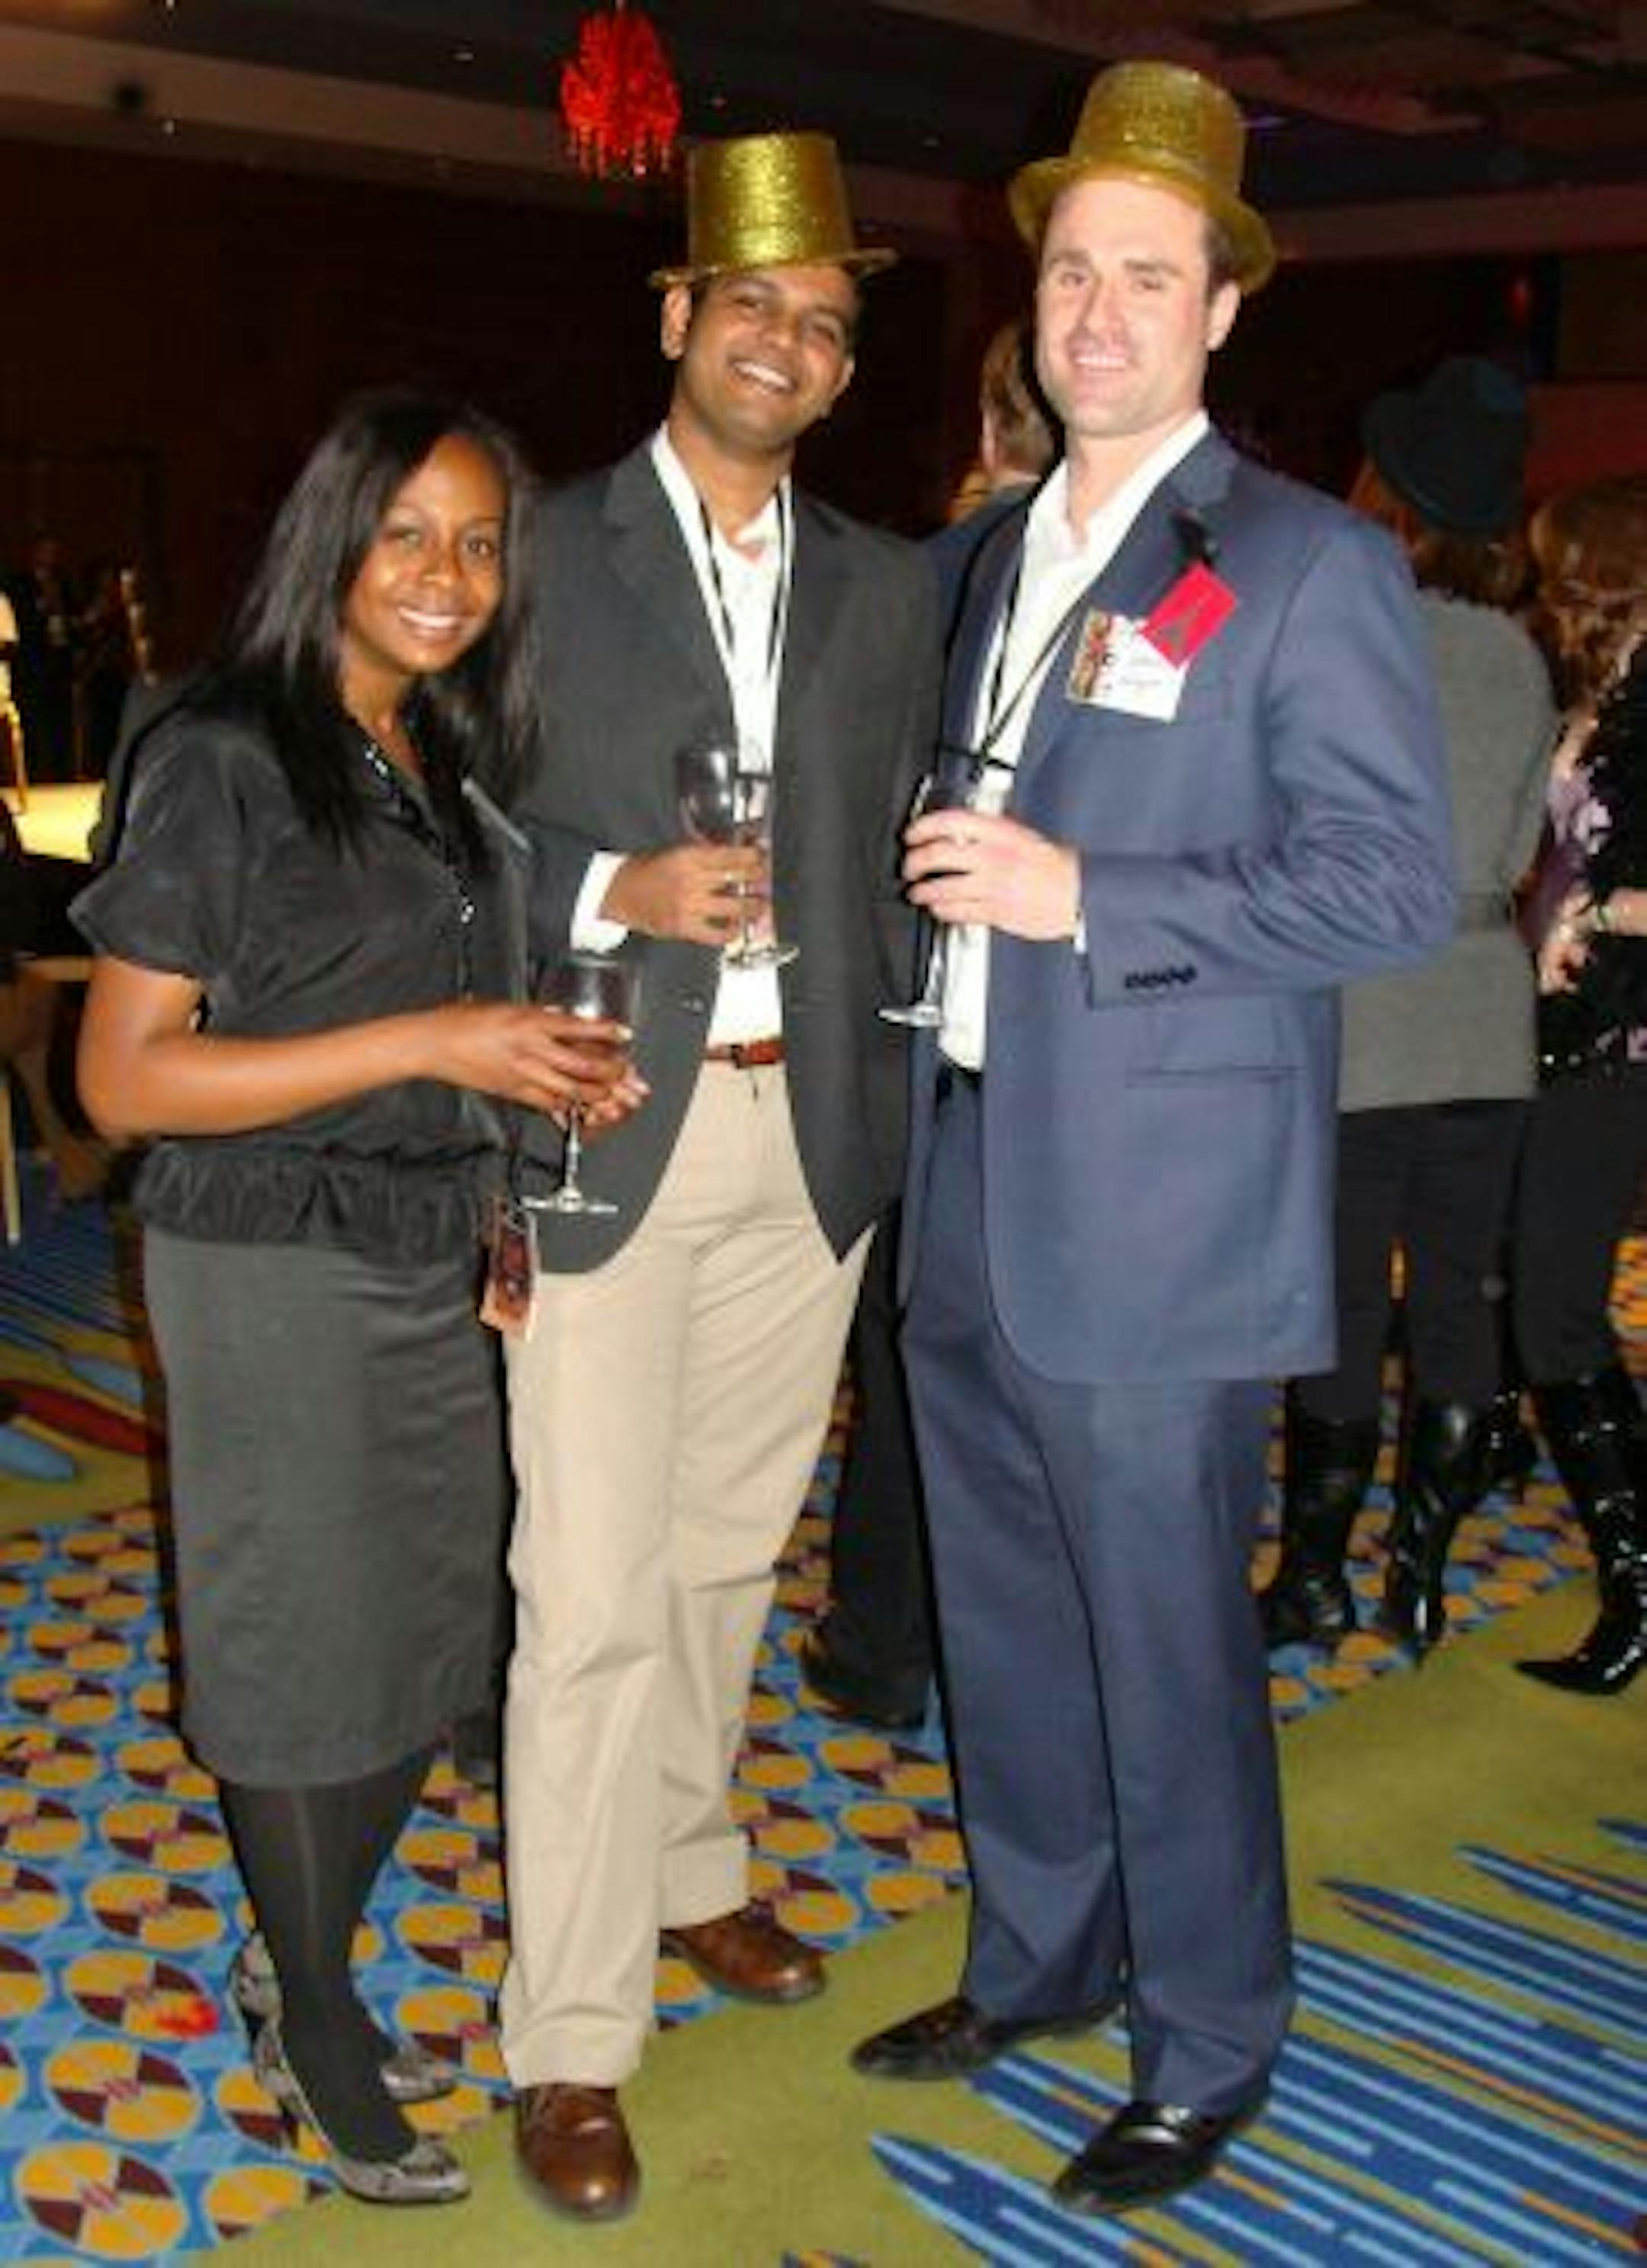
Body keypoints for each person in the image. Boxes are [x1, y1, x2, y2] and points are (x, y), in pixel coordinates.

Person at [851, 59, 1454, 2218]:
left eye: (1145, 277)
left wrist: (1088, 896)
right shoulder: (1001, 554)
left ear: (1221, 315)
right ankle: (1041, 1960)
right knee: (1008, 1625)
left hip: (1169, 1225)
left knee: (1170, 1649)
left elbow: (1394, 885)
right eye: (1069, 273)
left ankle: (1214, 2033)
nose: (1095, 311)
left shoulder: (1295, 566)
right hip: (978, 1174)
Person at [72, 390, 636, 2206]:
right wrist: (434, 1036)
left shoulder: (438, 749)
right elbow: (126, 1082)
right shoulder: (230, 750)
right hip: (269, 1261)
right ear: (335, 537)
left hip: (430, 1246)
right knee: (296, 1647)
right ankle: (315, 2003)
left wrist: (524, 1068)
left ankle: (294, 1948)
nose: (447, 575)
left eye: (479, 543)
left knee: (425, 1639)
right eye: (408, 533)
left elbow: (429, 1014)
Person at [500, 130, 939, 2222]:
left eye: (827, 325)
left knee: (715, 1556)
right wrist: (611, 881)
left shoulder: (886, 584)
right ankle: (573, 2038)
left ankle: (689, 1870)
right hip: (604, 1109)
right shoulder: (526, 547)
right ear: (675, 318)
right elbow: (427, 814)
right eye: (751, 304)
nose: (786, 343)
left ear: (847, 376)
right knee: (583, 1596)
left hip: (808, 1134)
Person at [1259, 356, 1555, 1658]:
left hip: (1369, 1009)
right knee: (1452, 1296)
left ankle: (1316, 1578)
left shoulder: (1352, 637)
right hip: (1487, 1008)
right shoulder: (1521, 656)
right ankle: (1419, 1578)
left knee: (1335, 1303)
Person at [802, 314, 1059, 1732]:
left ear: (984, 421)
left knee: (914, 1358)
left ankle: (887, 1641)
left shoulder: (913, 580)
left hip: (921, 1026)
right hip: (1076, 1047)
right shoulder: (1151, 586)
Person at [1507, 472, 1647, 1696]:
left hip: (1623, 1043)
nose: (1542, 585)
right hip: (1576, 1031)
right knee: (1550, 1300)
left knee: (1554, 1305)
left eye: (1558, 565)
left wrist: (1603, 911)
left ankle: (1638, 1588)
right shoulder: (1600, 696)